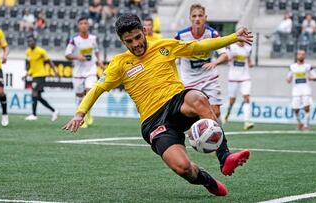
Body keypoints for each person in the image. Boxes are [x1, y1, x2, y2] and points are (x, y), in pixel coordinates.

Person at [63, 13, 252, 196]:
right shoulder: (119, 64)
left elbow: (197, 47)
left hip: (177, 102)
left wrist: (233, 37)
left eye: (138, 37)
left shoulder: (164, 46)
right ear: (123, 42)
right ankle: (207, 181)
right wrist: (80, 113)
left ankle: (224, 156)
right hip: (153, 121)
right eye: (129, 41)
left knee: (197, 98)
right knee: (183, 168)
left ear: (144, 31)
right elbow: (97, 88)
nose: (136, 44)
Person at [175, 4, 229, 126]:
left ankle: (216, 136)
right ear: (190, 18)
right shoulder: (180, 36)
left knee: (215, 111)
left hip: (209, 77)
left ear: (205, 17)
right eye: (194, 16)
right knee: (195, 112)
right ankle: (204, 136)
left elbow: (225, 55)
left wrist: (215, 62)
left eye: (200, 15)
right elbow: (172, 55)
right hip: (189, 81)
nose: (197, 19)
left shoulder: (212, 34)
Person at [65, 17, 104, 128]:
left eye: (85, 23)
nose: (83, 25)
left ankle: (85, 118)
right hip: (78, 72)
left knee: (90, 91)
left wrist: (99, 62)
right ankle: (86, 113)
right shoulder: (74, 40)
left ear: (88, 25)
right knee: (79, 95)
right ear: (78, 26)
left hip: (91, 70)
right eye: (81, 23)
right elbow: (67, 54)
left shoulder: (93, 38)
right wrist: (77, 57)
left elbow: (96, 51)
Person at [25, 37, 59, 121]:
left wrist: (55, 71)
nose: (30, 43)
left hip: (40, 75)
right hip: (34, 76)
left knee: (34, 93)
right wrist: (27, 73)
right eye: (28, 41)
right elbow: (30, 65)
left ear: (35, 42)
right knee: (38, 97)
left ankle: (34, 114)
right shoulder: (28, 52)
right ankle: (54, 111)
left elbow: (49, 61)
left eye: (31, 41)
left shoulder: (41, 51)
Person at [223, 41, 254, 130]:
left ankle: (247, 121)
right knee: (232, 100)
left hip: (245, 77)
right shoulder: (231, 47)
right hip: (233, 77)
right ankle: (228, 113)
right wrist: (232, 56)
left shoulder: (248, 48)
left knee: (247, 98)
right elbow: (225, 59)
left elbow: (249, 60)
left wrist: (250, 64)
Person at [286, 49, 316, 130]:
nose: (301, 56)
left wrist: (311, 78)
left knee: (307, 106)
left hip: (306, 89)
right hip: (296, 90)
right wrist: (288, 80)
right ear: (297, 56)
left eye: (303, 54)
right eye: (299, 54)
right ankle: (299, 123)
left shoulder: (308, 66)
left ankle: (306, 125)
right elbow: (288, 78)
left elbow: (315, 77)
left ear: (305, 56)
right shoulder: (292, 67)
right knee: (295, 108)